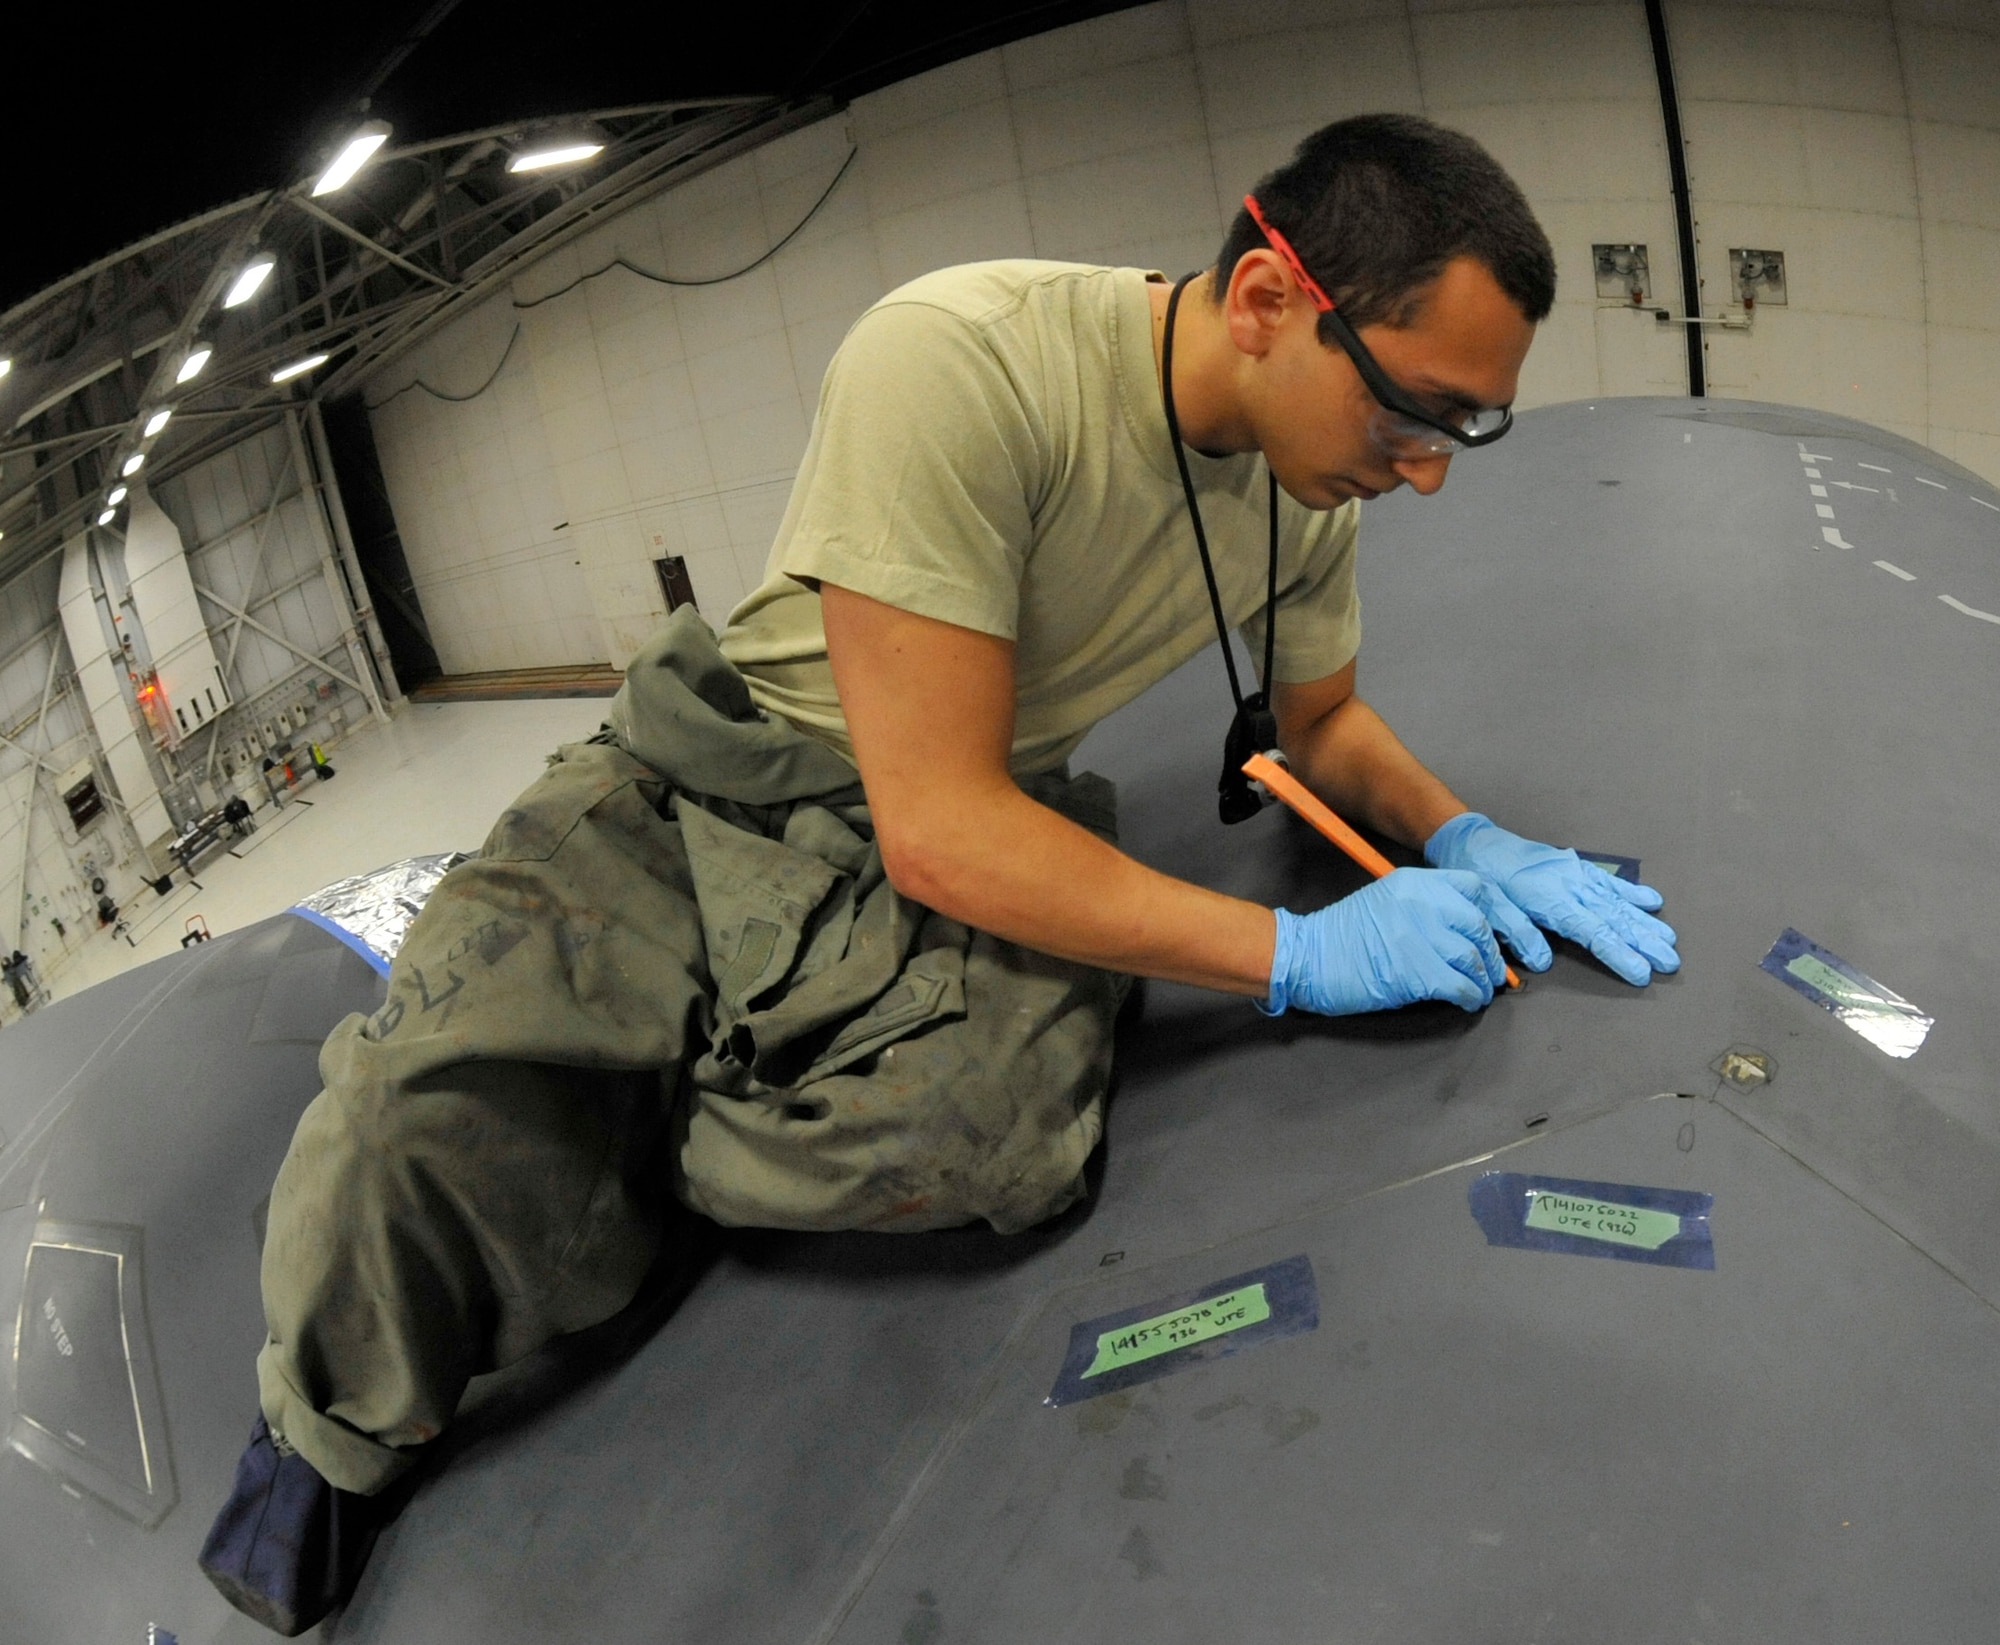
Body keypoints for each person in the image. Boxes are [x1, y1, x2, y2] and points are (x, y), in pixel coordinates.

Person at [199, 113, 1678, 1634]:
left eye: (1463, 433)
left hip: (951, 818)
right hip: (720, 782)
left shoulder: (1303, 493)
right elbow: (942, 829)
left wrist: (1473, 836)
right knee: (407, 1130)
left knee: (999, 1143)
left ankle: (633, 1120)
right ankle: (324, 1441)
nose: (1425, 472)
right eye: (1414, 414)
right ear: (1266, 303)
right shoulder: (960, 361)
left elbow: (1328, 721)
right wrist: (1294, 957)